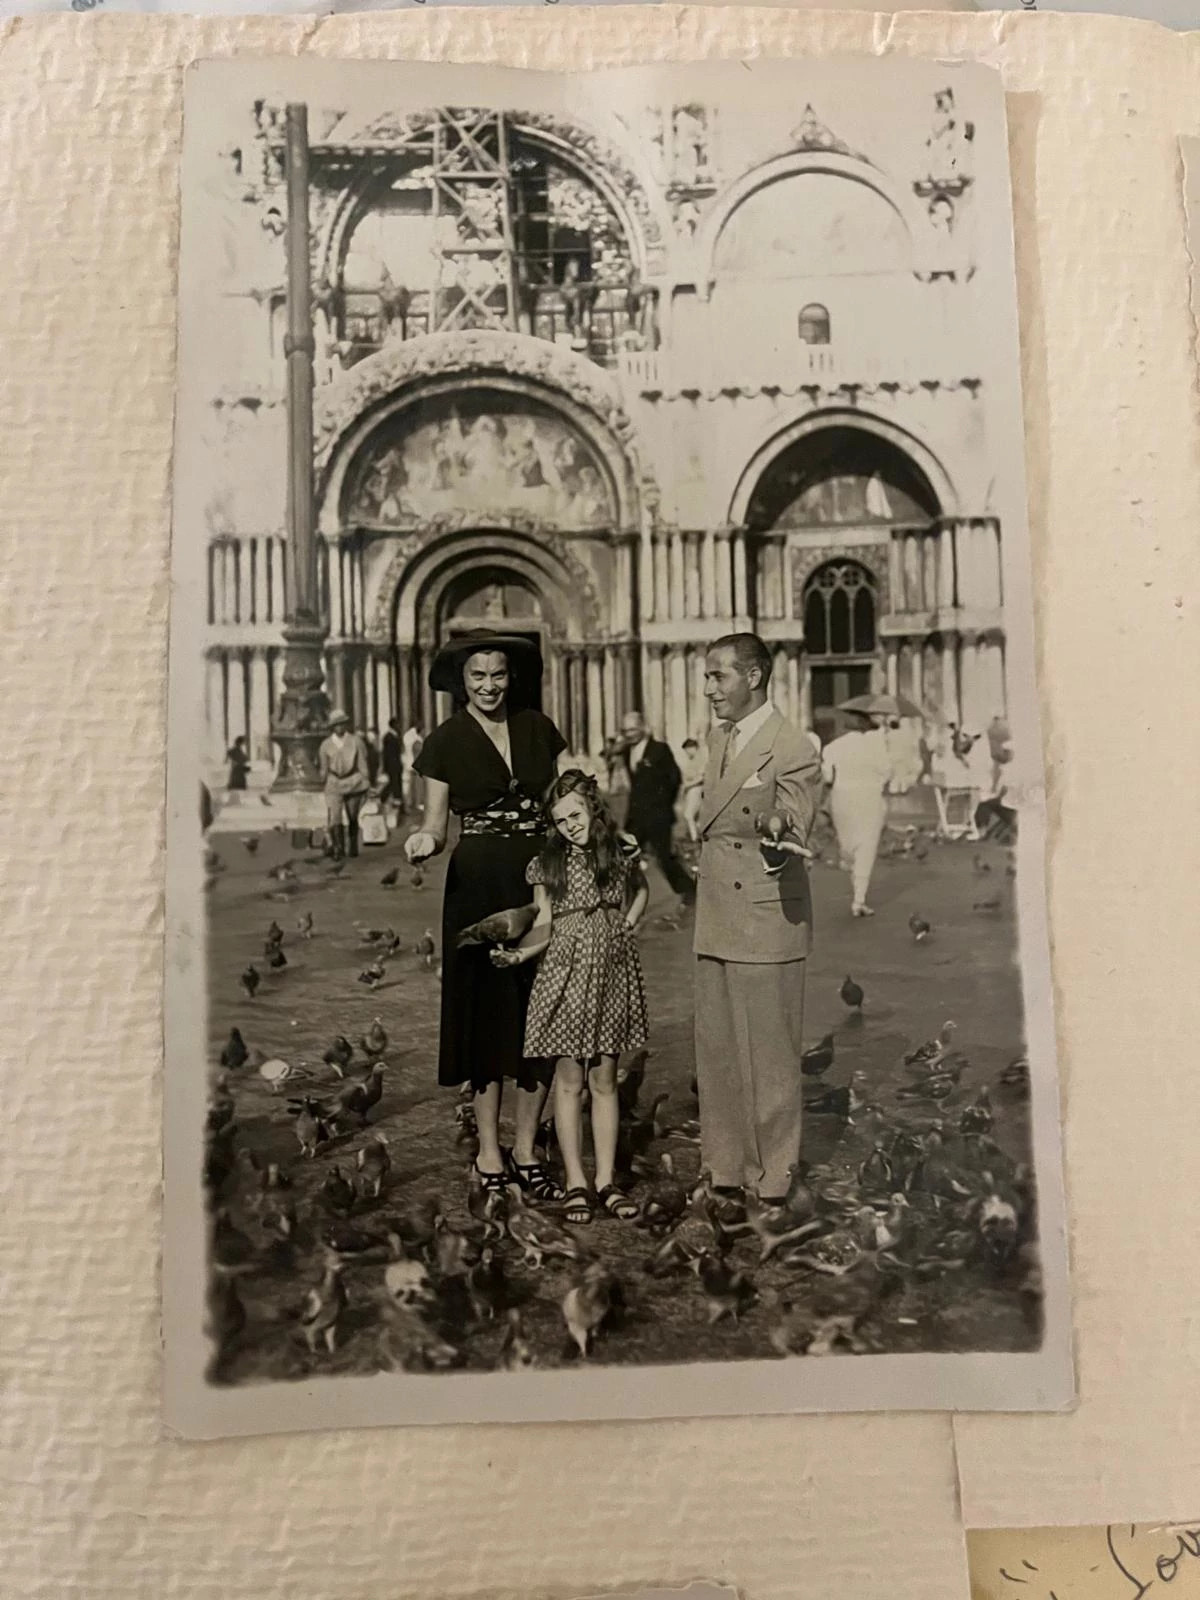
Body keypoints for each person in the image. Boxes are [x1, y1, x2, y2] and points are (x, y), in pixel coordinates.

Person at [404, 631, 567, 1205]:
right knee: (486, 1018)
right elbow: (436, 822)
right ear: (461, 680)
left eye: (498, 675)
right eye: (478, 676)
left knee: (542, 1012)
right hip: (477, 886)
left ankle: (526, 1147)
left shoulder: (538, 727)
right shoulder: (443, 742)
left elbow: (566, 798)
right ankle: (489, 1150)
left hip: (541, 878)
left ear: (511, 676)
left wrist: (598, 836)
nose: (490, 685)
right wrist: (422, 842)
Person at [693, 633, 823, 1210]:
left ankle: (774, 1174)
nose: (709, 689)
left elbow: (794, 821)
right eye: (707, 676)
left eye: (719, 676)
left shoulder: (792, 745)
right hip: (719, 911)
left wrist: (777, 832)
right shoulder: (720, 739)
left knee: (769, 1055)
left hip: (765, 913)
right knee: (718, 1049)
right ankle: (725, 1165)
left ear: (754, 676)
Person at [494, 771, 648, 1226]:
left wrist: (629, 921)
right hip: (563, 974)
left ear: (593, 808)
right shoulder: (547, 862)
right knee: (568, 1082)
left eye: (576, 814)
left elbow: (641, 889)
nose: (570, 825)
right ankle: (576, 1180)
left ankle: (606, 1181)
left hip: (611, 974)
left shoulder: (618, 850)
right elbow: (542, 920)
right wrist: (519, 954)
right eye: (561, 820)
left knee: (604, 1081)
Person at [822, 707, 893, 917]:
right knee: (867, 846)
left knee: (848, 842)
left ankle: (849, 861)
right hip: (869, 797)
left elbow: (827, 777)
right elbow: (887, 772)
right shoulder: (876, 746)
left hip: (842, 796)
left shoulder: (833, 746)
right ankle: (858, 900)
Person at [622, 709, 695, 904]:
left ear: (643, 728)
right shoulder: (625, 752)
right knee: (624, 854)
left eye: (633, 729)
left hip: (657, 816)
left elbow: (674, 778)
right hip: (636, 817)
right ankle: (628, 898)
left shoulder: (659, 750)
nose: (629, 734)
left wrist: (663, 806)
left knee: (664, 858)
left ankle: (689, 891)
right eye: (626, 730)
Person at [318, 709, 372, 860]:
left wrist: (366, 780)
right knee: (335, 816)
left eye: (342, 724)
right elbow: (324, 767)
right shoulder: (325, 745)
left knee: (352, 815)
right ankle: (338, 848)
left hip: (353, 781)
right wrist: (322, 782)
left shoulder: (356, 742)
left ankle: (353, 845)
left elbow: (362, 763)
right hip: (334, 782)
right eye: (336, 725)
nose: (340, 727)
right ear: (332, 727)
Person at [679, 736, 706, 844]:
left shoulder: (700, 759)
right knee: (695, 817)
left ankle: (695, 838)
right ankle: (698, 837)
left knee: (688, 815)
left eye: (687, 749)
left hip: (697, 789)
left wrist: (687, 785)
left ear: (693, 748)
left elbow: (701, 778)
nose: (687, 752)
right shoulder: (691, 761)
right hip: (691, 790)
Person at [381, 716, 404, 813]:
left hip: (396, 764)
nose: (399, 726)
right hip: (392, 765)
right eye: (398, 724)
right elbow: (386, 754)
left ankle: (396, 802)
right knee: (394, 783)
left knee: (395, 783)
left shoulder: (395, 735)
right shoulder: (388, 737)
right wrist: (385, 766)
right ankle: (385, 797)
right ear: (393, 725)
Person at [401, 721, 424, 813]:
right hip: (414, 764)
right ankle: (417, 803)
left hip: (409, 763)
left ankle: (412, 803)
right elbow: (417, 751)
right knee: (417, 785)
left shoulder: (408, 736)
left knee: (411, 785)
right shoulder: (415, 738)